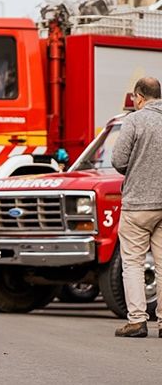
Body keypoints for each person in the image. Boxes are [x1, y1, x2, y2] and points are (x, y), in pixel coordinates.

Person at [112, 76, 162, 339]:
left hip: (138, 204)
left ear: (139, 97)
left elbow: (118, 160)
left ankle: (137, 321)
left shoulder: (134, 120)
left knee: (132, 262)